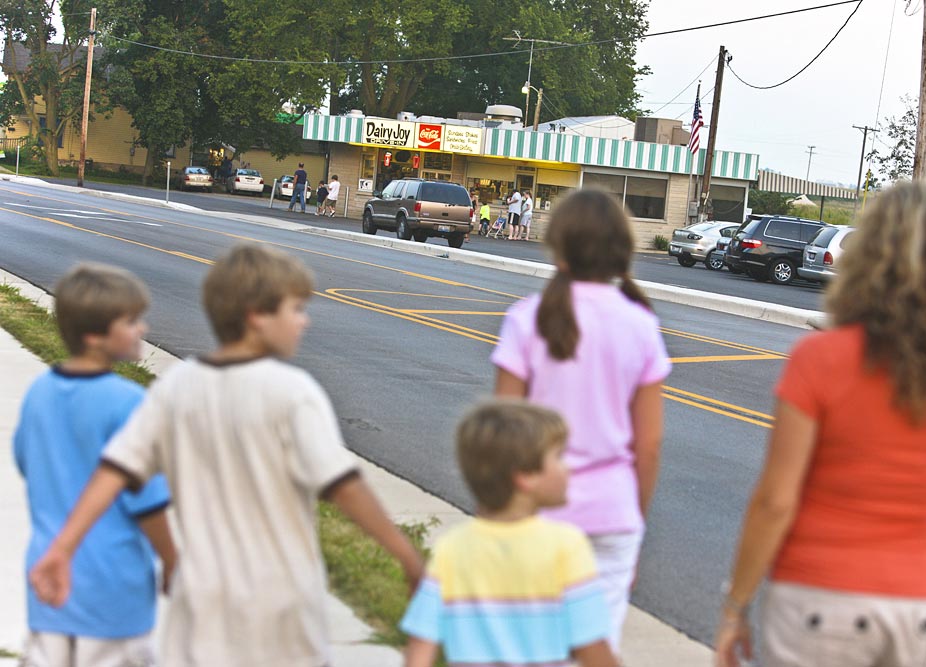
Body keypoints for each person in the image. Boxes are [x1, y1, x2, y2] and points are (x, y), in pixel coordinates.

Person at [29, 245, 425, 667]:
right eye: (295, 309)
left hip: (198, 604)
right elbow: (344, 487)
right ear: (257, 315)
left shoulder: (177, 386)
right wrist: (406, 556)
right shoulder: (292, 392)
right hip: (278, 609)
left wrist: (62, 548)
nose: (304, 320)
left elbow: (115, 471)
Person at [714, 182, 926, 667]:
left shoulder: (820, 359)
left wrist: (736, 605)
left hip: (819, 598)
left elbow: (777, 499)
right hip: (922, 608)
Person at [492, 189, 670, 653]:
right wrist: (636, 521)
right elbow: (647, 447)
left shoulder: (526, 319)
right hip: (612, 515)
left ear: (557, 246)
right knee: (595, 649)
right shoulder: (641, 324)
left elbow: (504, 435)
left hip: (538, 510)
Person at [15, 264, 176, 667]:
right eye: (131, 321)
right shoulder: (129, 404)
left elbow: (27, 460)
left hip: (48, 580)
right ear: (94, 336)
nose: (143, 328)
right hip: (111, 586)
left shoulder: (41, 392)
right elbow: (147, 502)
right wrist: (173, 562)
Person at [401, 400, 616, 667]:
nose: (568, 467)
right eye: (559, 457)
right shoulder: (565, 546)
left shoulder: (452, 549)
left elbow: (420, 649)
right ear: (525, 476)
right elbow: (593, 647)